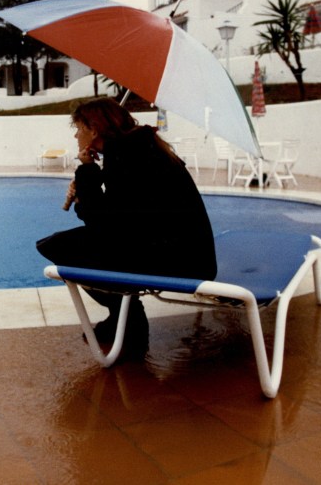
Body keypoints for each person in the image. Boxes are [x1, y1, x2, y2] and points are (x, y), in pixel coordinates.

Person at [36, 98, 217, 356]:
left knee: (60, 248)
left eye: (78, 128)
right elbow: (122, 215)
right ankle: (123, 314)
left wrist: (87, 175)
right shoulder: (135, 149)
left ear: (94, 130)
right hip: (182, 251)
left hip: (180, 260)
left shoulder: (127, 155)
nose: (76, 135)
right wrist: (92, 176)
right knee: (67, 244)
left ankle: (129, 319)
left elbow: (103, 222)